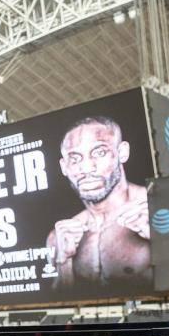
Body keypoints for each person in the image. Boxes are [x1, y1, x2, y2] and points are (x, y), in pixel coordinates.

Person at [47, 116, 151, 289]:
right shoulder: (59, 236)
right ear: (64, 167)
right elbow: (63, 301)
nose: (86, 168)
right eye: (75, 158)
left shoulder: (157, 208)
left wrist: (165, 243)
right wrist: (63, 262)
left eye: (99, 152)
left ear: (122, 152)